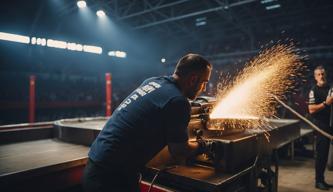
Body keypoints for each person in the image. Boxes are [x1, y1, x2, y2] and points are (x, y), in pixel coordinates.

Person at [82, 53, 213, 192]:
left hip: (95, 166)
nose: (204, 88)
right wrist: (203, 146)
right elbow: (179, 151)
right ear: (193, 79)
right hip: (111, 178)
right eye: (204, 82)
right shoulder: (178, 101)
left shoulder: (152, 81)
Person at [308, 65, 333, 190]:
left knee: (328, 154)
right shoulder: (314, 90)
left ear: (326, 75)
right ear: (315, 77)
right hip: (321, 126)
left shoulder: (331, 88)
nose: (321, 76)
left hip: (331, 124)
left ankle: (322, 179)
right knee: (322, 154)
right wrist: (325, 103)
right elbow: (311, 110)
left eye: (323, 74)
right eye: (318, 74)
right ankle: (318, 181)